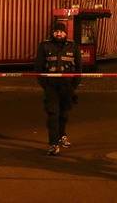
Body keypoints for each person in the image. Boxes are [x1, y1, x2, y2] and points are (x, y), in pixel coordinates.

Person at [34, 22, 82, 156]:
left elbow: (79, 68)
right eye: (56, 32)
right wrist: (45, 85)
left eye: (61, 32)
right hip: (51, 86)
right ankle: (53, 144)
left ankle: (62, 135)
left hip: (67, 87)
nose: (58, 34)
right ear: (52, 33)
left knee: (64, 114)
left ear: (65, 33)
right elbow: (38, 68)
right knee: (53, 114)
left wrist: (74, 85)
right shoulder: (44, 46)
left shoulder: (73, 46)